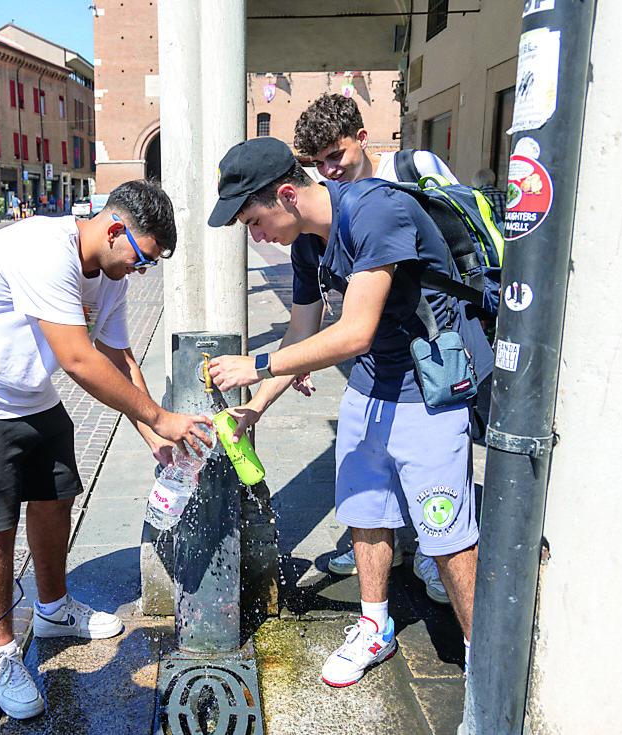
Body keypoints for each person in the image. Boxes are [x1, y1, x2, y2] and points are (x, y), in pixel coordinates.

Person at [0, 179, 212, 720]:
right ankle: (2, 655)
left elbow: (116, 356)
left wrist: (153, 439)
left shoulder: (112, 272)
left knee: (55, 495)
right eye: (142, 257)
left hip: (28, 391)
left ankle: (52, 608)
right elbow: (77, 358)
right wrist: (162, 417)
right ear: (115, 228)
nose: (141, 270)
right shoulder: (42, 250)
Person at [206, 137, 492, 688]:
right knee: (365, 506)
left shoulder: (376, 213)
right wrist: (255, 410)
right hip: (370, 386)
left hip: (427, 385)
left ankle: (484, 659)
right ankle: (374, 624)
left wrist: (258, 364)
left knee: (445, 532)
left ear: (287, 195)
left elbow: (354, 332)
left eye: (254, 221)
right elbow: (303, 330)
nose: (255, 235)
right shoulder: (308, 243)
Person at [290, 92, 459, 602]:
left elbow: (450, 246)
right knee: (373, 483)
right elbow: (315, 322)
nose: (329, 171)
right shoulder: (326, 217)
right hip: (376, 361)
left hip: (430, 352)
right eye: (317, 164)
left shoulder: (408, 174)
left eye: (335, 157)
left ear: (363, 139)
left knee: (440, 492)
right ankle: (391, 549)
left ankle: (432, 553)